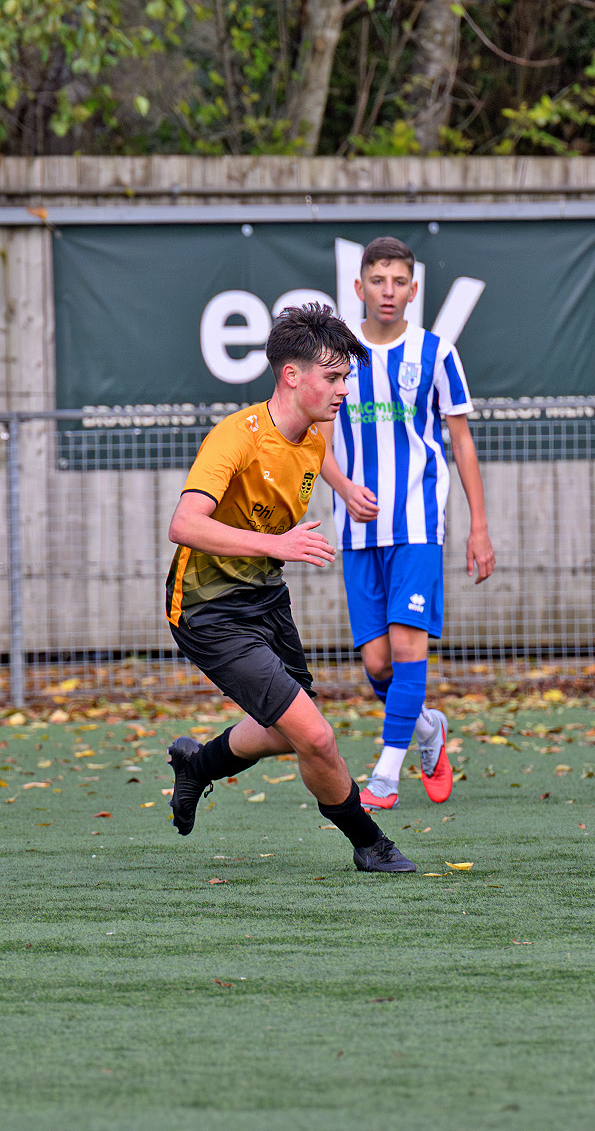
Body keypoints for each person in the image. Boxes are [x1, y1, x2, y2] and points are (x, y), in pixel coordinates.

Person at [164, 304, 414, 873]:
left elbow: (307, 456)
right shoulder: (235, 437)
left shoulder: (315, 432)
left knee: (284, 734)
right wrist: (276, 543)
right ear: (291, 376)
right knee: (316, 737)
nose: (344, 389)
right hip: (207, 609)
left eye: (346, 377)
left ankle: (197, 766)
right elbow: (184, 524)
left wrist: (345, 489)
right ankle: (370, 843)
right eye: (334, 377)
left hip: (266, 599)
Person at [319, 235, 496, 810]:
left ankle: (386, 775)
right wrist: (344, 489)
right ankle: (427, 728)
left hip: (418, 523)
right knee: (376, 663)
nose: (388, 291)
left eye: (398, 281)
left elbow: (461, 443)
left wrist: (478, 526)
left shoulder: (437, 353)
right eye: (378, 280)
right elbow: (317, 441)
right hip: (357, 530)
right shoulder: (335, 356)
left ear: (414, 290)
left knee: (406, 646)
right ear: (359, 287)